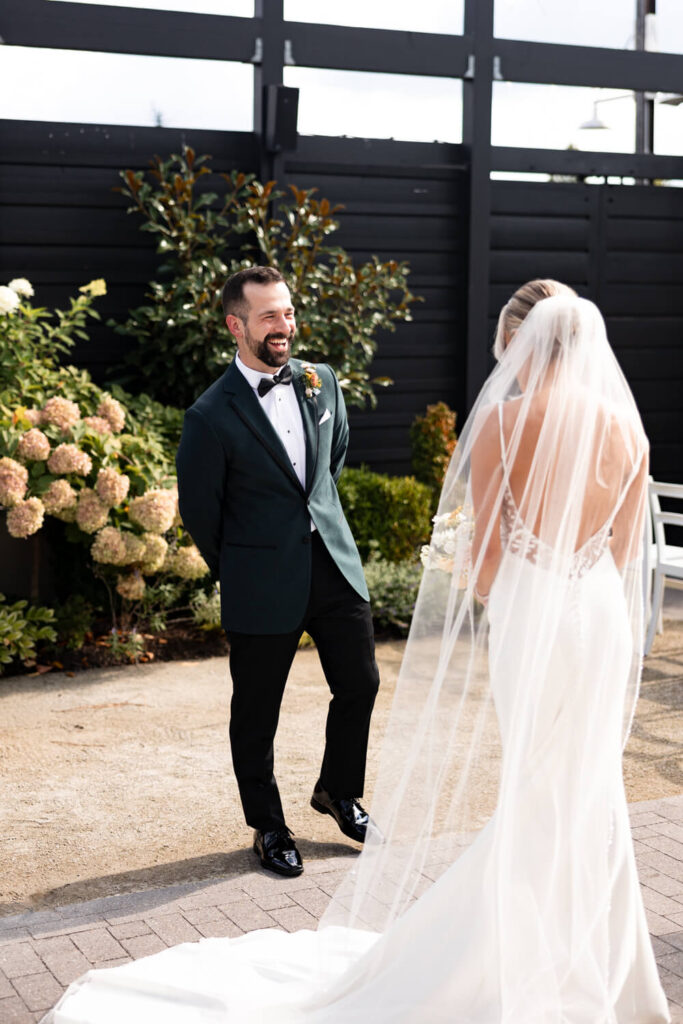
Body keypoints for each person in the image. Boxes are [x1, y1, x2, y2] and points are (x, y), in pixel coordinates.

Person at [44, 281, 670, 1023]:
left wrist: (489, 588)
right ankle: (597, 961)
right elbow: (625, 554)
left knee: (533, 774)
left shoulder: (503, 424)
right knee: (582, 779)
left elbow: (494, 556)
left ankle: (507, 952)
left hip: (534, 615)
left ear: (522, 342)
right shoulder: (628, 430)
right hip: (597, 619)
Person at [174, 265, 380, 877]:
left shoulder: (324, 382)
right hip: (261, 580)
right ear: (236, 325)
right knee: (257, 709)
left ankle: (338, 791)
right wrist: (244, 566)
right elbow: (201, 516)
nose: (283, 326)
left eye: (287, 312)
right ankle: (267, 825)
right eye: (268, 316)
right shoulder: (209, 415)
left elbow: (330, 463)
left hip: (334, 565)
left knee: (361, 682)